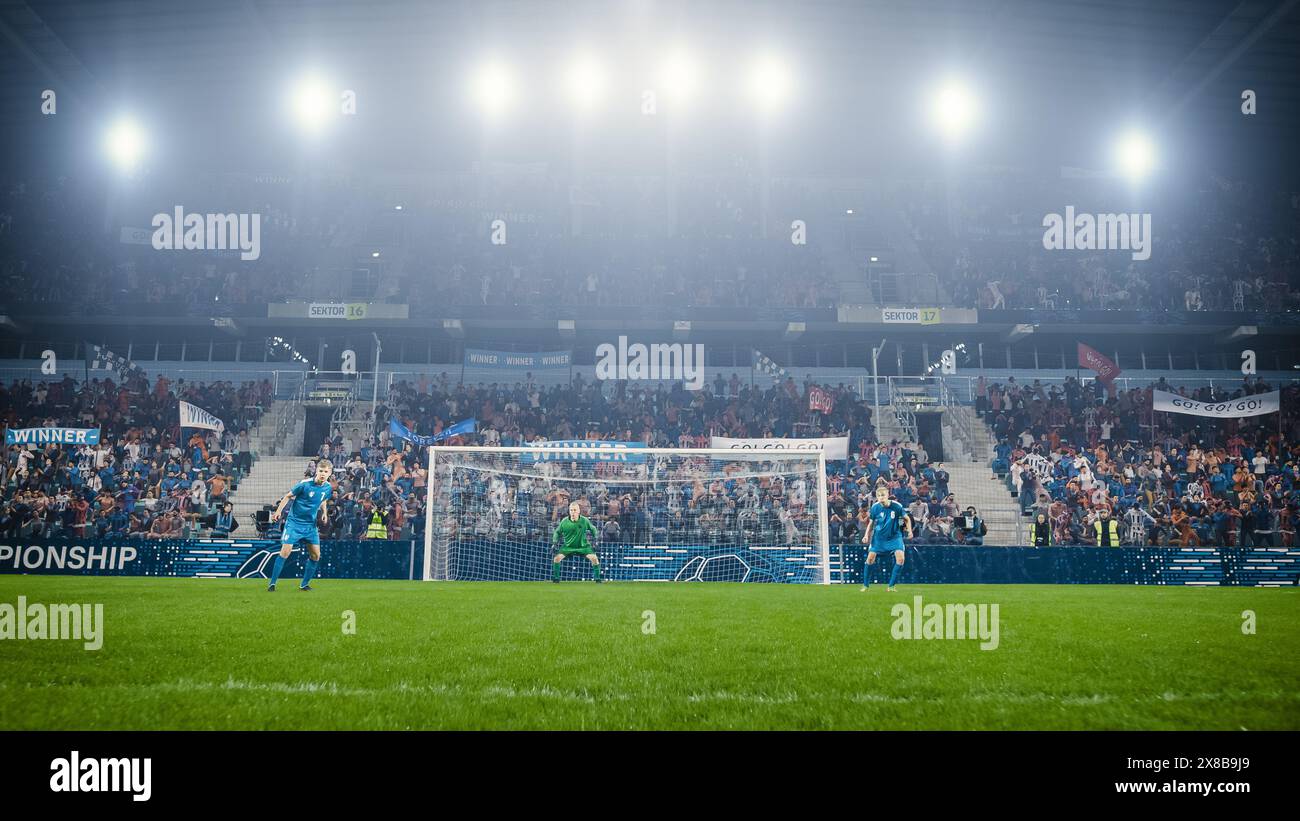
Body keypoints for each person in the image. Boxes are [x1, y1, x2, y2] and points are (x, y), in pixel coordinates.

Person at [267, 461, 333, 591]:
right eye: (321, 471)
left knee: (316, 555)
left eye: (326, 472)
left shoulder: (328, 487)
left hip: (310, 525)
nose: (323, 474)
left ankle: (304, 584)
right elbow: (287, 496)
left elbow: (324, 499)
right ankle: (272, 584)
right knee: (285, 552)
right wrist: (278, 512)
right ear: (316, 471)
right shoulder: (304, 485)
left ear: (329, 473)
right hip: (294, 523)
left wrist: (324, 513)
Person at [861, 485, 911, 591]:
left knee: (901, 559)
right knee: (870, 559)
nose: (881, 497)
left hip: (895, 537)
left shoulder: (897, 506)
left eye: (883, 495)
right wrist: (866, 535)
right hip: (879, 538)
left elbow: (906, 518)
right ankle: (865, 586)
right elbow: (871, 523)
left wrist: (909, 530)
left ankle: (891, 586)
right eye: (879, 496)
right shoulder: (875, 507)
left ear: (887, 495)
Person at [551, 501, 602, 583]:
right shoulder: (564, 522)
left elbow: (593, 529)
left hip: (583, 546)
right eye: (571, 510)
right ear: (569, 511)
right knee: (556, 559)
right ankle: (556, 578)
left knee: (594, 559)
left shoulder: (584, 520)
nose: (573, 512)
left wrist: (596, 541)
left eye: (575, 510)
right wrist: (554, 543)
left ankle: (598, 579)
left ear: (579, 511)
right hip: (568, 547)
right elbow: (557, 532)